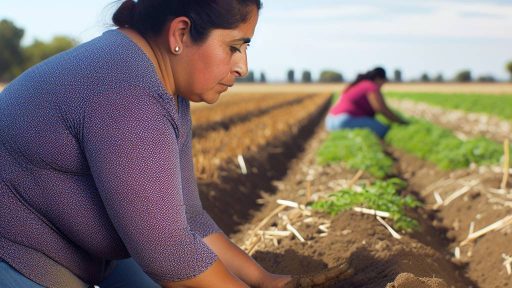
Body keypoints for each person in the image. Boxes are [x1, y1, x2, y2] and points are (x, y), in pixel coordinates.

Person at [0, 0, 292, 287]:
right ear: (180, 33)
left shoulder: (161, 84)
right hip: (17, 253)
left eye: (245, 48)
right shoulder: (124, 88)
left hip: (84, 253)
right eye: (234, 47)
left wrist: (263, 280)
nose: (243, 66)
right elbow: (168, 254)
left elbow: (189, 218)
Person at [325, 67, 407, 138]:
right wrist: (401, 122)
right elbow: (381, 109)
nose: (382, 86)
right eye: (383, 82)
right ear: (378, 79)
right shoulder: (371, 86)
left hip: (330, 121)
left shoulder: (356, 85)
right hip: (344, 121)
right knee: (385, 130)